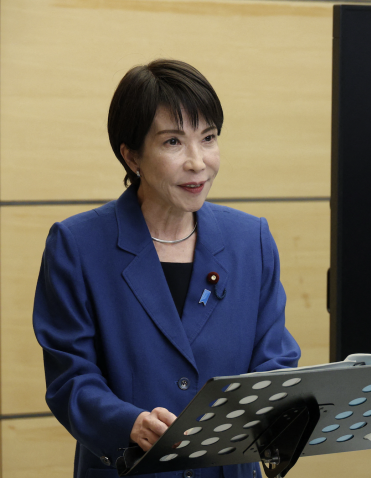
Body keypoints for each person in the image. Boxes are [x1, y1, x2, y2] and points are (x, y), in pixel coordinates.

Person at [32, 59, 300, 478]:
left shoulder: (252, 240)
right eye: (173, 142)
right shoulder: (77, 246)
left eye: (208, 138)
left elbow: (275, 360)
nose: (197, 162)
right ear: (131, 155)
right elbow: (71, 379)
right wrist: (129, 424)